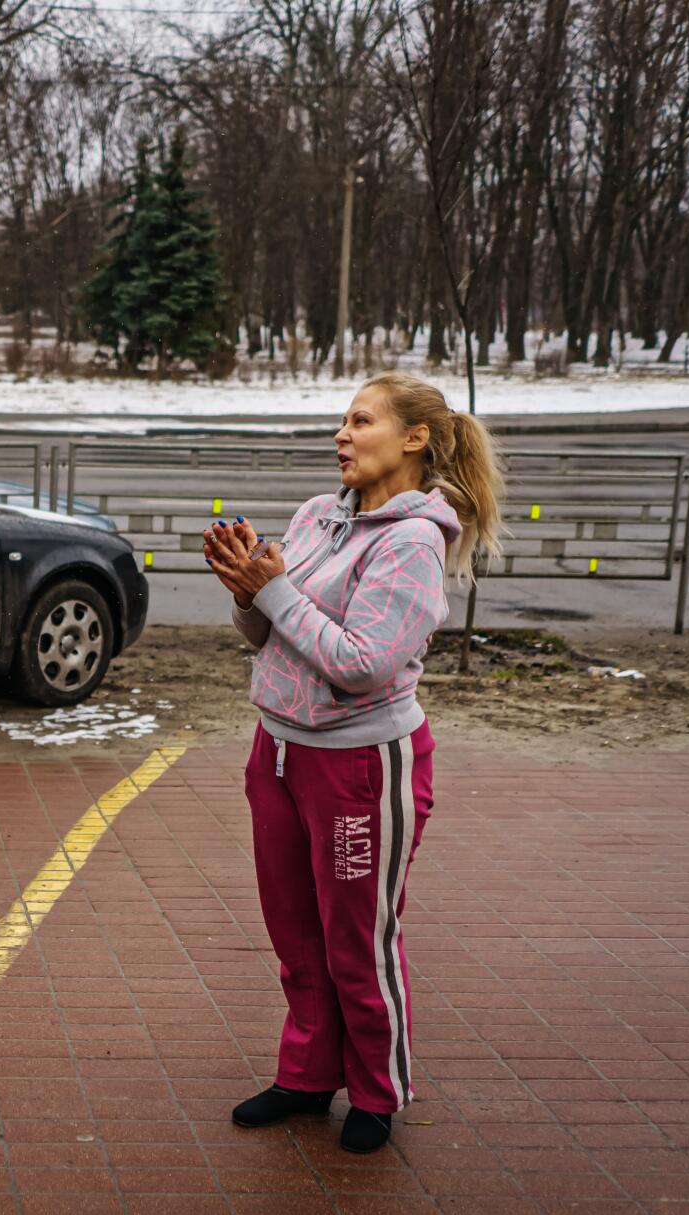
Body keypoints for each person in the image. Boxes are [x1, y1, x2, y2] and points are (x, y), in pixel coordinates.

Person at [203, 372, 503, 1154]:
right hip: (278, 752)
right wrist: (247, 593)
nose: (341, 434)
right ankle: (306, 1074)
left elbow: (364, 664)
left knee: (356, 937)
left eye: (360, 420)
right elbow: (271, 635)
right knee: (295, 932)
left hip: (359, 767)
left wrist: (273, 594)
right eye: (341, 420)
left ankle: (376, 1088)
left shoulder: (412, 543)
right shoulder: (314, 518)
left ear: (414, 440)